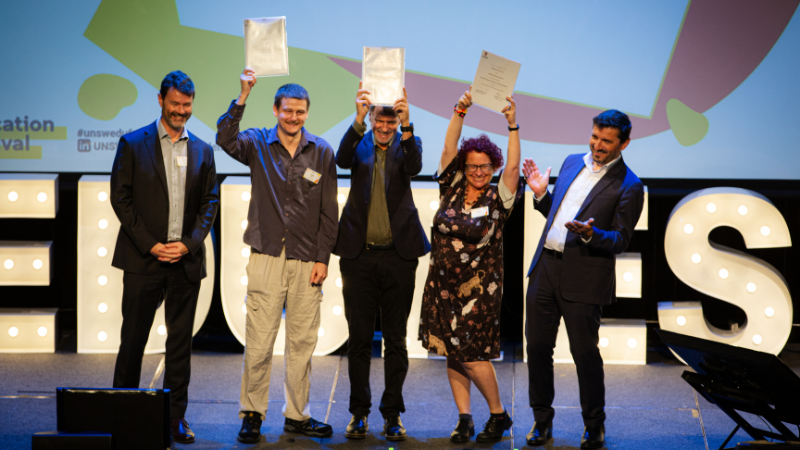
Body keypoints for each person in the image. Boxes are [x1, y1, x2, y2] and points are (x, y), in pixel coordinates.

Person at [216, 68, 338, 443]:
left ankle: (297, 415)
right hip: (267, 256)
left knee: (302, 342)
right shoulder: (255, 143)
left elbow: (329, 213)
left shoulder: (322, 151)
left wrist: (323, 259)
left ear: (306, 113)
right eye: (287, 111)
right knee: (260, 339)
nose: (294, 117)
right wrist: (242, 96)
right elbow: (224, 137)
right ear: (275, 110)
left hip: (306, 261)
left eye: (300, 112)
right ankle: (252, 414)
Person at [523, 110, 644, 449]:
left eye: (606, 140)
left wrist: (593, 234)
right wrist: (540, 196)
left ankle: (594, 426)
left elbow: (620, 239)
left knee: (584, 354)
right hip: (546, 267)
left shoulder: (629, 185)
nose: (597, 145)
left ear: (624, 143)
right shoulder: (571, 161)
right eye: (594, 136)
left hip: (586, 275)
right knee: (537, 348)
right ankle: (541, 421)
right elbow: (558, 215)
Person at [110, 70, 219, 444]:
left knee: (179, 346)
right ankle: (121, 413)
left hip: (184, 262)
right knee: (133, 341)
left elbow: (210, 203)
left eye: (187, 106)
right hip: (144, 260)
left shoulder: (203, 149)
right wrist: (150, 244)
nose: (181, 112)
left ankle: (176, 419)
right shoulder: (132, 143)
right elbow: (120, 199)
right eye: (175, 104)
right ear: (160, 101)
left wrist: (189, 244)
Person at [419, 88, 523, 444]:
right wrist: (461, 109)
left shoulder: (500, 197)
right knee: (451, 351)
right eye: (472, 166)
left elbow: (513, 167)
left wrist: (512, 125)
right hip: (442, 285)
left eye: (485, 166)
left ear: (492, 168)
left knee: (470, 352)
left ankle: (498, 414)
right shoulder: (450, 187)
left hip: (480, 291)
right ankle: (465, 418)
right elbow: (449, 147)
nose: (478, 171)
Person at [334, 82, 431, 441]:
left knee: (396, 340)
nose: (385, 127)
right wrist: (357, 119)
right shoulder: (358, 141)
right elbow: (340, 160)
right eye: (380, 119)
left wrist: (409, 125)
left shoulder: (408, 144)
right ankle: (359, 413)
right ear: (372, 117)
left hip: (398, 257)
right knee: (358, 339)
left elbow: (417, 165)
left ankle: (392, 415)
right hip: (358, 258)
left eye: (391, 121)